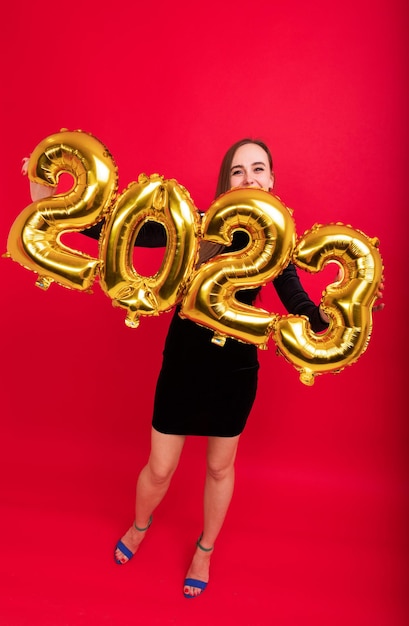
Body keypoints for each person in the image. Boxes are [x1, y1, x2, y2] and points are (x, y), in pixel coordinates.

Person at [23, 138, 384, 599]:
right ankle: (139, 525)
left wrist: (341, 323)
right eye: (238, 171)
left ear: (272, 180)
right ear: (225, 182)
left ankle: (205, 550)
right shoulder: (195, 224)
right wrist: (46, 197)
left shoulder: (279, 244)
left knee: (219, 467)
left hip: (235, 371)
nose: (249, 178)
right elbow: (121, 231)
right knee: (159, 468)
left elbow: (296, 298)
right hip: (185, 360)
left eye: (258, 169)